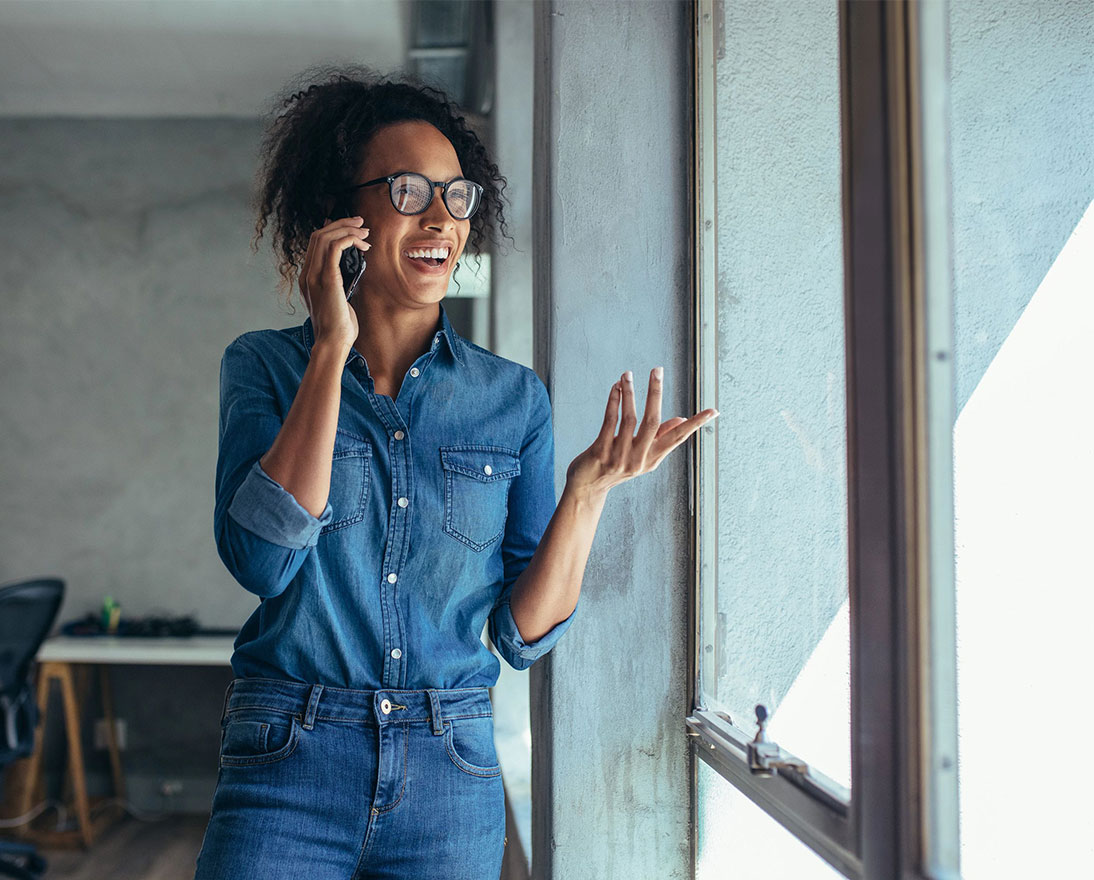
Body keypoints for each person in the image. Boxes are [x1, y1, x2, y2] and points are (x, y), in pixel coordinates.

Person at [193, 66, 718, 880]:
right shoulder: (265, 366)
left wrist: (584, 494)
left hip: (449, 771)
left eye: (458, 196)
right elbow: (263, 562)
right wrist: (330, 350)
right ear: (344, 213)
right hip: (288, 760)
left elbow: (521, 636)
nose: (442, 218)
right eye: (407, 191)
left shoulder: (512, 400)